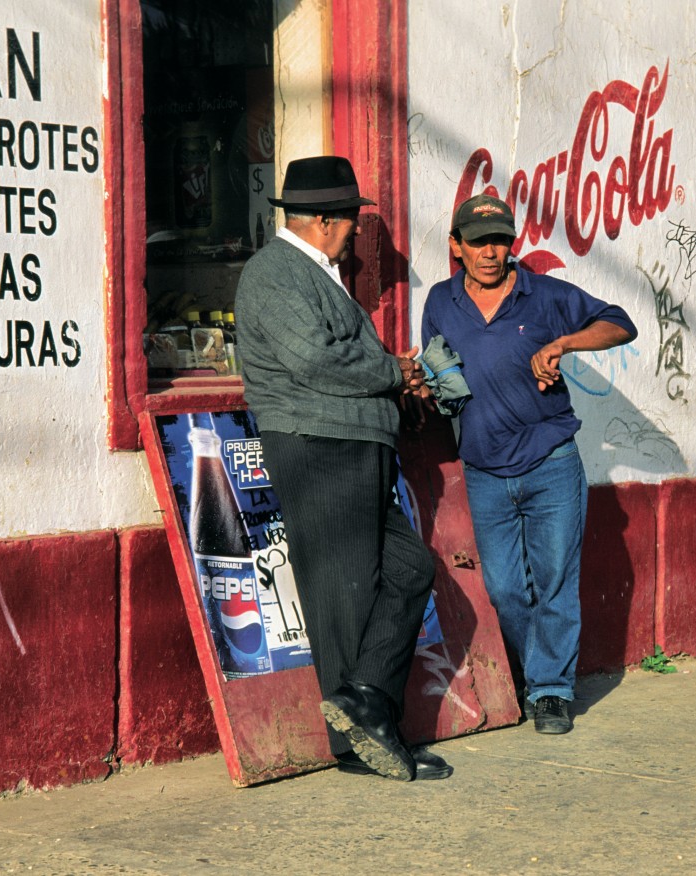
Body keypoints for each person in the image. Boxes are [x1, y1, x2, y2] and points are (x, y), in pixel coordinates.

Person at [235, 156, 450, 780]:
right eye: (352, 221)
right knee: (344, 595)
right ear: (327, 221)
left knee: (406, 570)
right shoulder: (274, 272)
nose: (356, 231)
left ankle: (366, 708)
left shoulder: (313, 273)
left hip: (347, 443)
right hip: (320, 446)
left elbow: (330, 356)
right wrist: (394, 372)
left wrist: (393, 387)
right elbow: (313, 360)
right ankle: (363, 739)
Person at [420, 194, 636, 734]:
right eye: (477, 242)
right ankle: (535, 670)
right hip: (485, 470)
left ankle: (550, 690)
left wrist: (564, 343)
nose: (490, 253)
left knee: (556, 581)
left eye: (499, 241)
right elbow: (439, 369)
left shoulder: (544, 295)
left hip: (551, 462)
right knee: (507, 589)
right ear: (457, 246)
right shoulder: (440, 302)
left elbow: (620, 324)